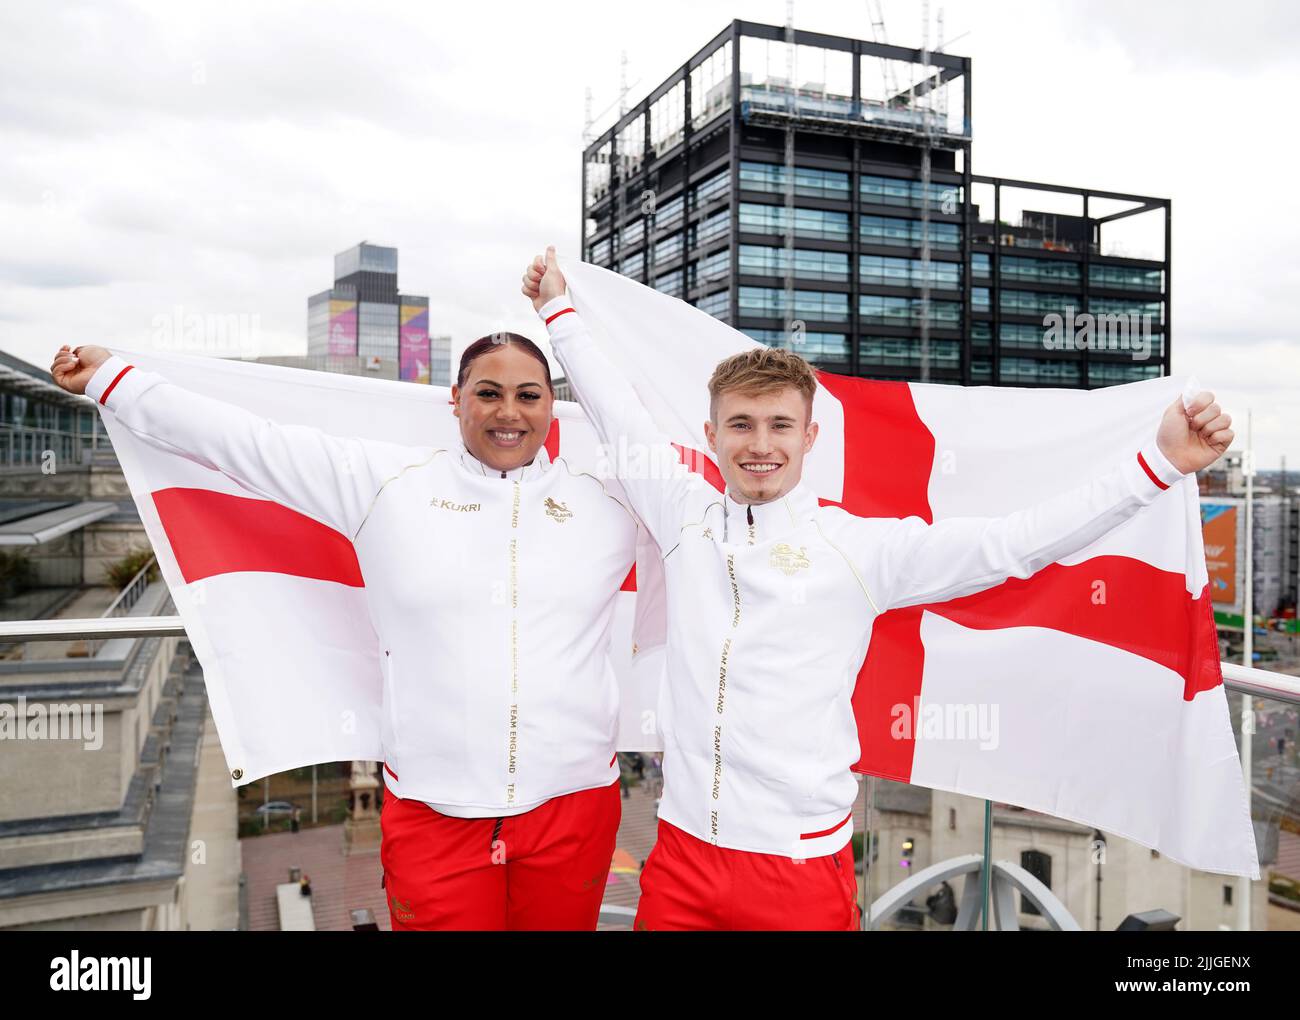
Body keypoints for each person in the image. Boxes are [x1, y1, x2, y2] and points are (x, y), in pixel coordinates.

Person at [522, 245, 1233, 931]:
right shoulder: (682, 513)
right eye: (740, 424)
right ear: (711, 434)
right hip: (680, 856)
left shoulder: (861, 548)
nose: (759, 444)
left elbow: (1015, 544)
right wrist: (558, 309)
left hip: (797, 871)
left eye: (779, 426)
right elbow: (618, 410)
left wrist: (1159, 464)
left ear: (810, 438)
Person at [51, 335, 640, 931]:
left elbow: (702, 474)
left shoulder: (608, 503)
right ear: (456, 400)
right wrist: (113, 381)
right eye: (488, 393)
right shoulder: (386, 484)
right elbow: (249, 444)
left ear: (550, 407)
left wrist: (564, 318)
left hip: (577, 804)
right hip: (433, 812)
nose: (508, 412)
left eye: (528, 395)